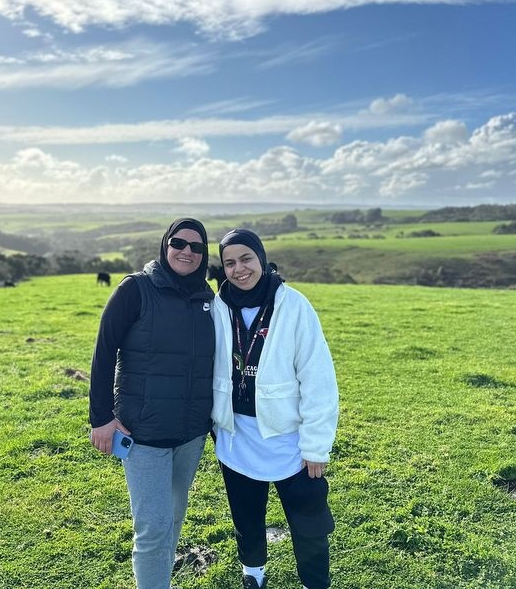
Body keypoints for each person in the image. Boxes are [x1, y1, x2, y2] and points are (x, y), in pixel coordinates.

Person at [89, 218, 215, 589]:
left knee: (173, 517)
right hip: (143, 433)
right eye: (178, 243)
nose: (187, 251)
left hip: (191, 433)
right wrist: (101, 418)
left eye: (196, 247)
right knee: (154, 527)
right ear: (165, 245)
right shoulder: (136, 289)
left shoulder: (208, 298)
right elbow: (104, 351)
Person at [211, 229, 338, 589]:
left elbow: (318, 380)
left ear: (262, 259)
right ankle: (253, 574)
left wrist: (316, 446)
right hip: (237, 439)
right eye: (230, 263)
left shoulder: (293, 305)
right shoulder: (218, 306)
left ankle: (315, 582)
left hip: (290, 441)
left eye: (246, 259)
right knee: (246, 517)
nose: (239, 269)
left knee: (309, 522)